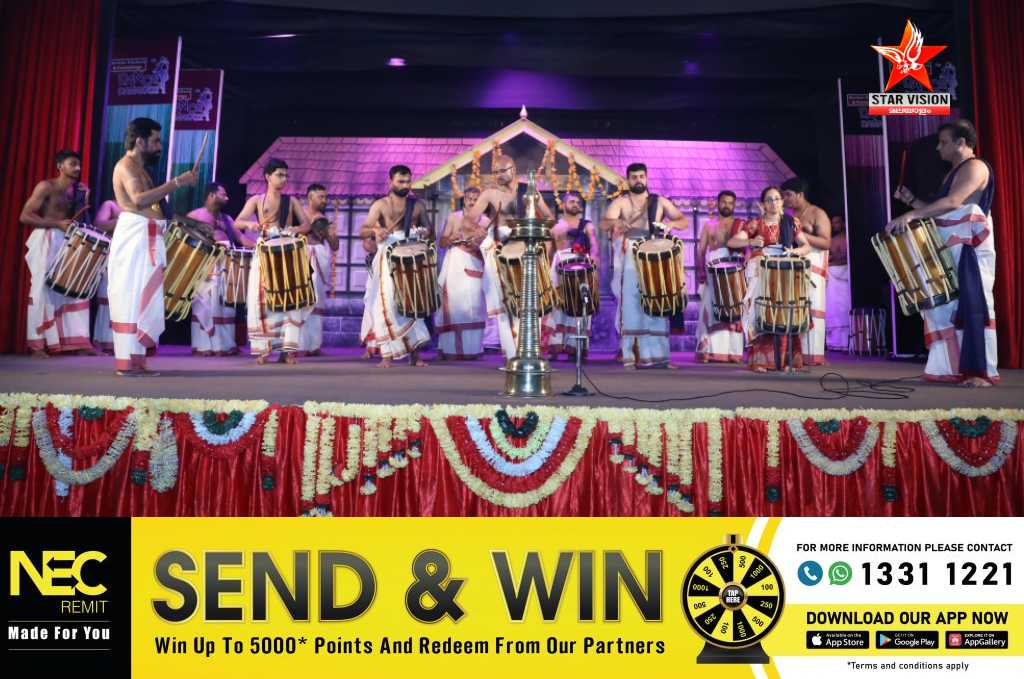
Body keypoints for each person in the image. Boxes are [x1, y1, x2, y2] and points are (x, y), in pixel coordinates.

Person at [888, 119, 998, 387]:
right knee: (948, 307)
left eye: (944, 142)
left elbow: (954, 202)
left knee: (971, 304)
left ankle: (978, 372)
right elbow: (943, 212)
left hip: (969, 247)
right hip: (952, 245)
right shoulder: (955, 171)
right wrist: (911, 201)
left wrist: (911, 214)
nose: (939, 148)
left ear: (962, 143)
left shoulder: (975, 166)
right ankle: (954, 368)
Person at [109, 118, 197, 375]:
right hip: (135, 237)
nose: (159, 146)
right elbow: (138, 200)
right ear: (140, 141)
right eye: (156, 141)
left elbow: (159, 208)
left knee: (141, 299)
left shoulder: (142, 169)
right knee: (131, 297)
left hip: (146, 236)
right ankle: (126, 363)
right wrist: (177, 182)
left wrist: (190, 224)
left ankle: (137, 361)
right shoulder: (126, 166)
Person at [462, 155, 554, 361]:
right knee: (504, 304)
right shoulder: (490, 194)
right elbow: (468, 221)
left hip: (527, 249)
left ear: (513, 169)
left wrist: (539, 236)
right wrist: (477, 230)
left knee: (529, 302)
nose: (497, 175)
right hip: (500, 250)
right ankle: (511, 355)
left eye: (501, 171)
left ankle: (530, 352)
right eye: (495, 171)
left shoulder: (529, 191)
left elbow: (549, 218)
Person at [600, 162, 688, 369]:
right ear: (628, 180)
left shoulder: (660, 201)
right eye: (634, 177)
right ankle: (632, 355)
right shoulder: (621, 202)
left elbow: (683, 221)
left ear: (646, 178)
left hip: (655, 252)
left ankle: (659, 357)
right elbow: (604, 224)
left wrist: (671, 224)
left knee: (657, 300)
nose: (638, 180)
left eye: (641, 176)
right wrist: (616, 223)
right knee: (632, 301)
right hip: (631, 252)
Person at [234, 158, 312, 365]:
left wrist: (294, 229)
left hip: (288, 254)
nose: (284, 179)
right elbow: (237, 222)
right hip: (265, 254)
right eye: (279, 175)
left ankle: (288, 351)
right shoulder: (256, 201)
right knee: (262, 301)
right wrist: (250, 225)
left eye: (286, 175)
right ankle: (263, 350)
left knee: (291, 301)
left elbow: (306, 225)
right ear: (268, 176)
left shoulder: (291, 201)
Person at [19, 150, 97, 357]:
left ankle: (77, 342)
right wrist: (56, 224)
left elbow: (79, 221)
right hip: (46, 237)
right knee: (41, 289)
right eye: (73, 164)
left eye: (79, 164)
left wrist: (83, 200)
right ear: (60, 166)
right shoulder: (46, 186)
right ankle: (37, 345)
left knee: (74, 287)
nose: (78, 168)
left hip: (68, 239)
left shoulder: (77, 190)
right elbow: (25, 216)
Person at [728, 186, 811, 372]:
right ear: (763, 204)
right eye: (769, 200)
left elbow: (806, 246)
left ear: (782, 202)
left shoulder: (791, 222)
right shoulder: (755, 224)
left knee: (785, 314)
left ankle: (787, 362)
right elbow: (732, 242)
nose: (773, 203)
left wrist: (794, 251)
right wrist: (750, 242)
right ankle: (761, 361)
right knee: (762, 312)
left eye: (777, 199)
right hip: (761, 274)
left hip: (784, 273)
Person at [358, 165, 434, 367]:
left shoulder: (417, 205)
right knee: (387, 303)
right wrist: (376, 231)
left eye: (408, 181)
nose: (405, 185)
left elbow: (430, 230)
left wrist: (424, 232)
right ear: (390, 181)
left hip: (411, 255)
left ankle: (415, 355)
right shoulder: (380, 205)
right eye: (401, 181)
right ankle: (386, 355)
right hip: (388, 256)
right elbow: (363, 230)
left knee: (413, 303)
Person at [188, 182, 251, 356]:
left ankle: (224, 345)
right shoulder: (195, 215)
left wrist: (261, 245)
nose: (227, 198)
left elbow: (242, 240)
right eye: (223, 194)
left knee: (225, 305)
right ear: (211, 195)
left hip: (227, 263)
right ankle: (204, 346)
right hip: (205, 262)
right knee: (206, 304)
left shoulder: (227, 219)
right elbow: (183, 238)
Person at [544, 191, 600, 360]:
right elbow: (548, 249)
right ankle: (555, 346)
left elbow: (594, 244)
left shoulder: (587, 225)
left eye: (577, 202)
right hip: (559, 264)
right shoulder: (555, 226)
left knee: (581, 305)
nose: (575, 204)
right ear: (563, 205)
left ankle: (576, 348)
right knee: (557, 304)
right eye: (572, 202)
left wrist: (595, 258)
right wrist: (545, 270)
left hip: (582, 265)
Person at [781, 177, 830, 366]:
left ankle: (813, 355)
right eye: (783, 195)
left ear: (800, 194)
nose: (785, 199)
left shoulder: (817, 213)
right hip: (793, 268)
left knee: (813, 310)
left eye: (788, 195)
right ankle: (795, 354)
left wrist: (800, 235)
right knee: (794, 310)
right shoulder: (787, 215)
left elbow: (826, 242)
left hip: (813, 267)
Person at [435, 186, 488, 360]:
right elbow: (442, 242)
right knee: (453, 305)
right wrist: (451, 238)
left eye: (476, 199)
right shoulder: (454, 217)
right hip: (455, 265)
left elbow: (490, 247)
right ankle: (450, 350)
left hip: (475, 265)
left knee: (474, 306)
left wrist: (480, 242)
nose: (472, 202)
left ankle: (473, 351)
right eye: (469, 199)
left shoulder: (485, 221)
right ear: (464, 199)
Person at [694, 190, 745, 363]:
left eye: (730, 203)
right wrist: (701, 271)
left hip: (735, 270)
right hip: (713, 270)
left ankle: (733, 352)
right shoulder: (709, 225)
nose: (727, 205)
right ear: (718, 203)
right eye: (724, 202)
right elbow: (701, 250)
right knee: (709, 307)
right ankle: (707, 350)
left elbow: (747, 247)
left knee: (734, 308)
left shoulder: (740, 225)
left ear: (734, 205)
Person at [299, 185, 340, 357]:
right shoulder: (299, 213)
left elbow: (335, 246)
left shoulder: (325, 219)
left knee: (317, 301)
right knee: (301, 301)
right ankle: (299, 346)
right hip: (301, 255)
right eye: (321, 197)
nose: (324, 200)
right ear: (310, 197)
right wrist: (308, 227)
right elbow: (289, 232)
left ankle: (314, 346)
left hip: (319, 256)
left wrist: (330, 232)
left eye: (325, 197)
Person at [91, 199, 122, 354]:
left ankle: (127, 341)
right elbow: (98, 224)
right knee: (108, 299)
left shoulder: (143, 207)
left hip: (132, 256)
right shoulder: (111, 205)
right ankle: (106, 340)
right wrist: (124, 220)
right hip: (111, 254)